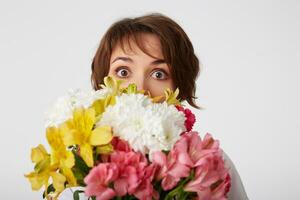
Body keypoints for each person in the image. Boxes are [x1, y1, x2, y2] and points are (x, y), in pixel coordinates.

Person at [60, 13, 249, 199]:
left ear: (178, 87)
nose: (139, 89)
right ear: (102, 83)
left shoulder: (210, 164)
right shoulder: (76, 167)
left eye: (159, 74)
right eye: (123, 71)